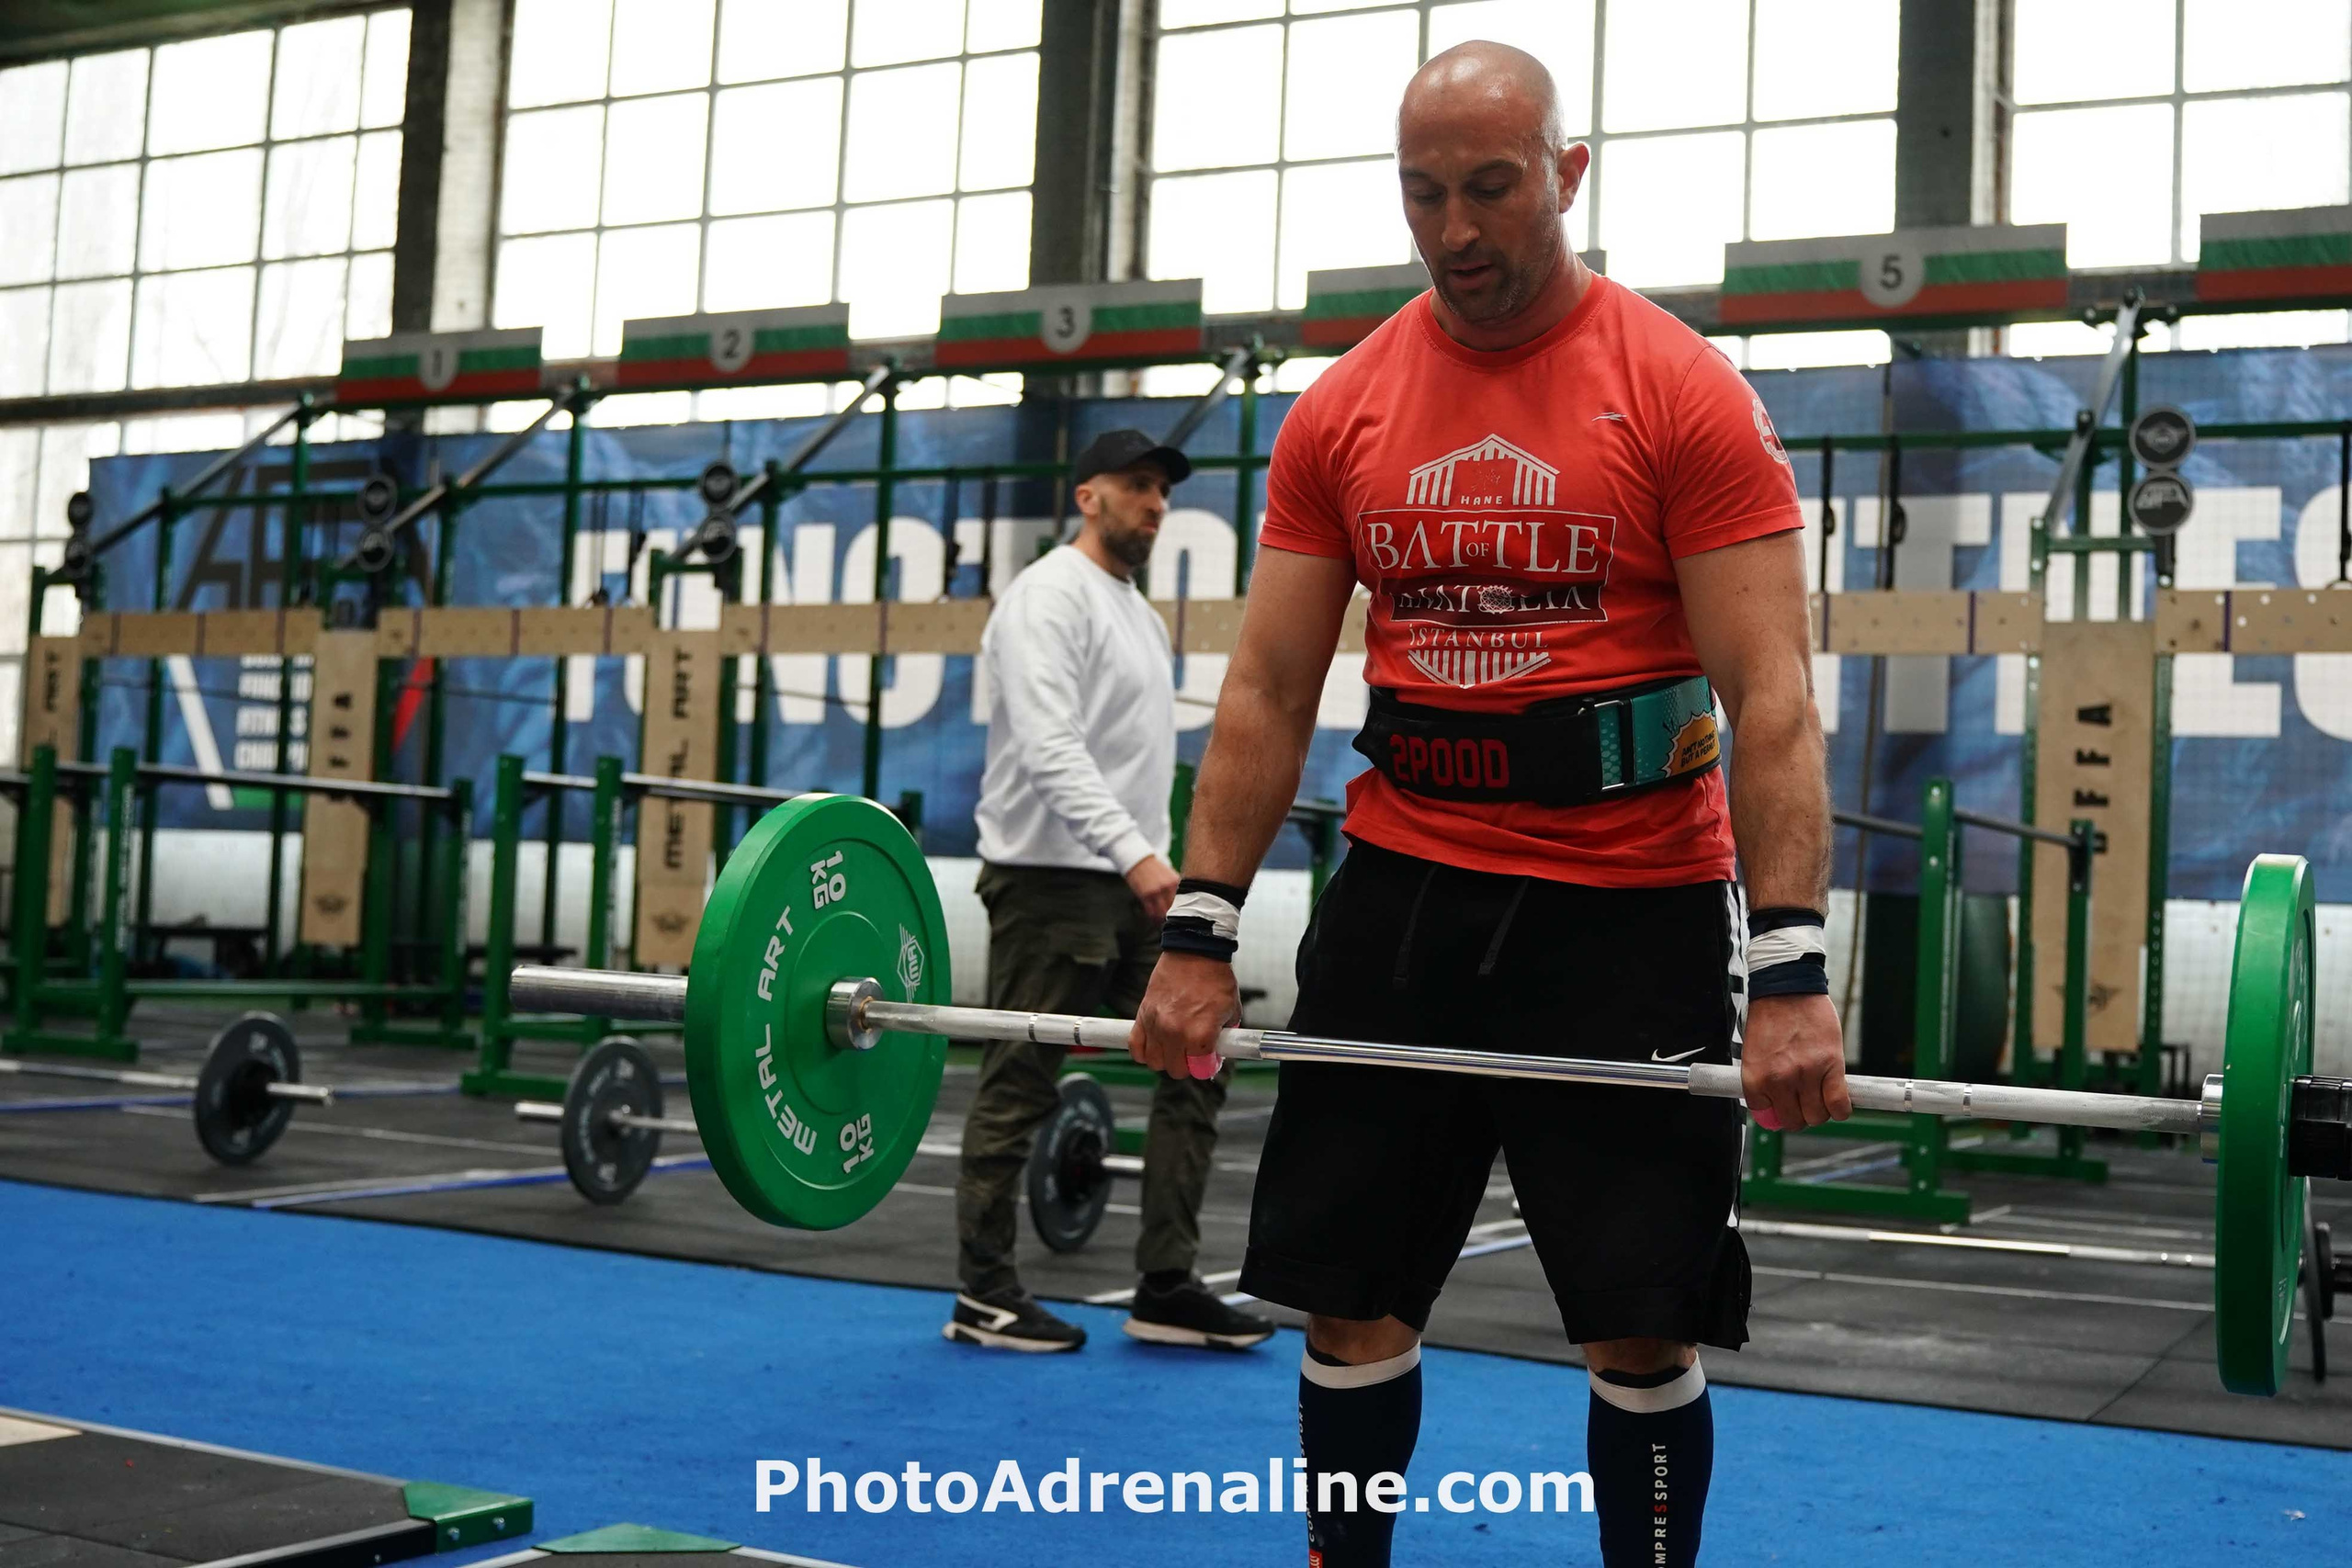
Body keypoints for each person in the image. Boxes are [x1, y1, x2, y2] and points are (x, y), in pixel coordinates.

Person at [1128, 41, 1847, 1568]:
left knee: (1641, 1325)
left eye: (1493, 187)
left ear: (1567, 175)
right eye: (1425, 193)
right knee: (1349, 1291)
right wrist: (1200, 927)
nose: (1457, 229)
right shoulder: (1345, 410)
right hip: (1406, 894)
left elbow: (1771, 698)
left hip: (1632, 905)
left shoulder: (1681, 391)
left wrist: (1790, 964)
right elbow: (1263, 690)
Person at [948, 428, 1279, 1355]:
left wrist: (1153, 860)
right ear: (1087, 496)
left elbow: (1132, 765)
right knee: (1020, 1084)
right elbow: (1051, 750)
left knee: (1197, 1056)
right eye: (1136, 487)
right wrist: (1140, 858)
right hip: (1051, 882)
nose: (1155, 504)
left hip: (1131, 882)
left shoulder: (1135, 611)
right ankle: (982, 1294)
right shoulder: (1047, 597)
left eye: (1161, 490)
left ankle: (1167, 1284)